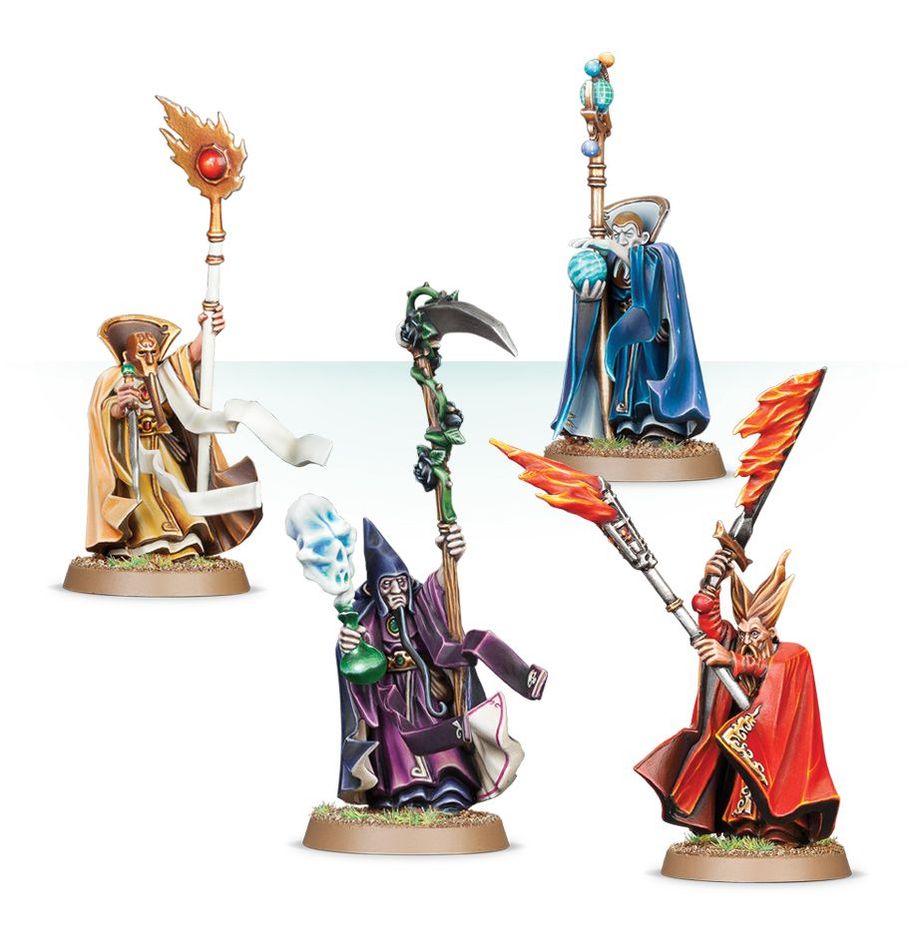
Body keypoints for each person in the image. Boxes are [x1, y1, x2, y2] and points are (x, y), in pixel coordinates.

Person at [336, 519, 547, 811]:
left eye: (400, 582)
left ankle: (450, 794)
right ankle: (401, 799)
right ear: (375, 589)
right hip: (391, 701)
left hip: (429, 693)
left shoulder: (420, 602)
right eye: (387, 584)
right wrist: (349, 645)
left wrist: (450, 556)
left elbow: (439, 587)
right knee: (398, 755)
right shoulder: (367, 617)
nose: (396, 590)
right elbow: (352, 649)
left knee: (446, 758)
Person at [635, 549, 839, 845]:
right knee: (740, 797)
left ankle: (779, 831)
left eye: (754, 634)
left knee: (776, 806)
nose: (746, 641)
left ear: (771, 633)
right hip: (742, 741)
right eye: (742, 634)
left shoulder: (793, 655)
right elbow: (712, 627)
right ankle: (743, 829)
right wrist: (712, 584)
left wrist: (732, 660)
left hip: (779, 748)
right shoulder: (736, 644)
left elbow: (774, 669)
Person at [85, 309, 260, 560]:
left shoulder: (165, 373)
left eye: (153, 352)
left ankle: (183, 542)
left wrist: (207, 330)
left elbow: (190, 358)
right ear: (126, 355)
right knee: (142, 500)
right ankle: (139, 544)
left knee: (174, 494)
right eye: (142, 353)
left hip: (164, 448)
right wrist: (117, 407)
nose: (149, 358)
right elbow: (100, 413)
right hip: (131, 453)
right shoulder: (112, 378)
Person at [552, 201, 711, 442]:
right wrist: (587, 299)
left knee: (647, 381)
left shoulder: (654, 256)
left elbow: (656, 282)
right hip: (624, 338)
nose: (621, 239)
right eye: (616, 234)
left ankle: (656, 427)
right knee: (624, 385)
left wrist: (613, 246)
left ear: (643, 237)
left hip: (649, 337)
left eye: (628, 233)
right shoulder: (611, 264)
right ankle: (626, 427)